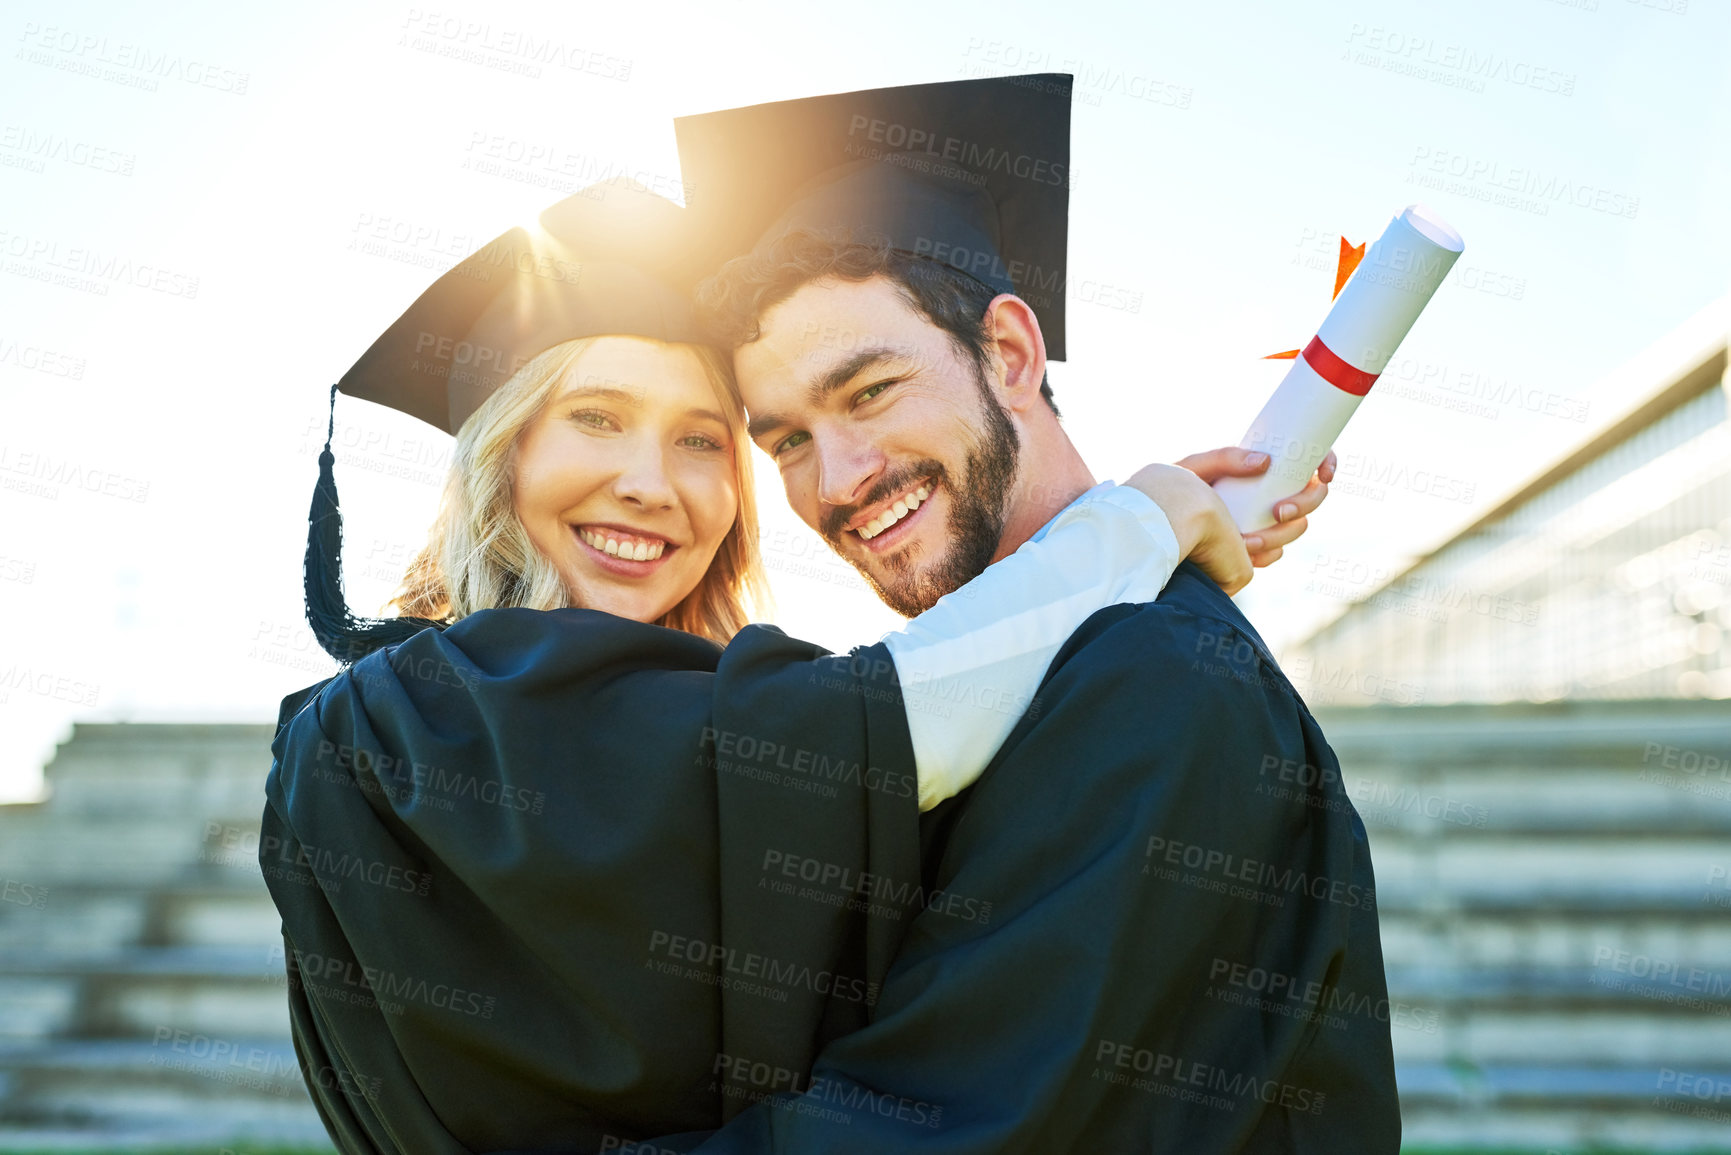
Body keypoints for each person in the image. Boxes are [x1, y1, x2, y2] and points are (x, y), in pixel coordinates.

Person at [261, 178, 1327, 1154]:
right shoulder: (423, 715)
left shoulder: (416, 725)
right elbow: (868, 728)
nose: (648, 482)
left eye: (702, 441)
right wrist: (1132, 526)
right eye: (594, 418)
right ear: (504, 451)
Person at [620, 74, 1400, 1152]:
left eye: (871, 391)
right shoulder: (1001, 685)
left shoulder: (1149, 676)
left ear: (1013, 354)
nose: (837, 478)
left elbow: (935, 1130)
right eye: (786, 440)